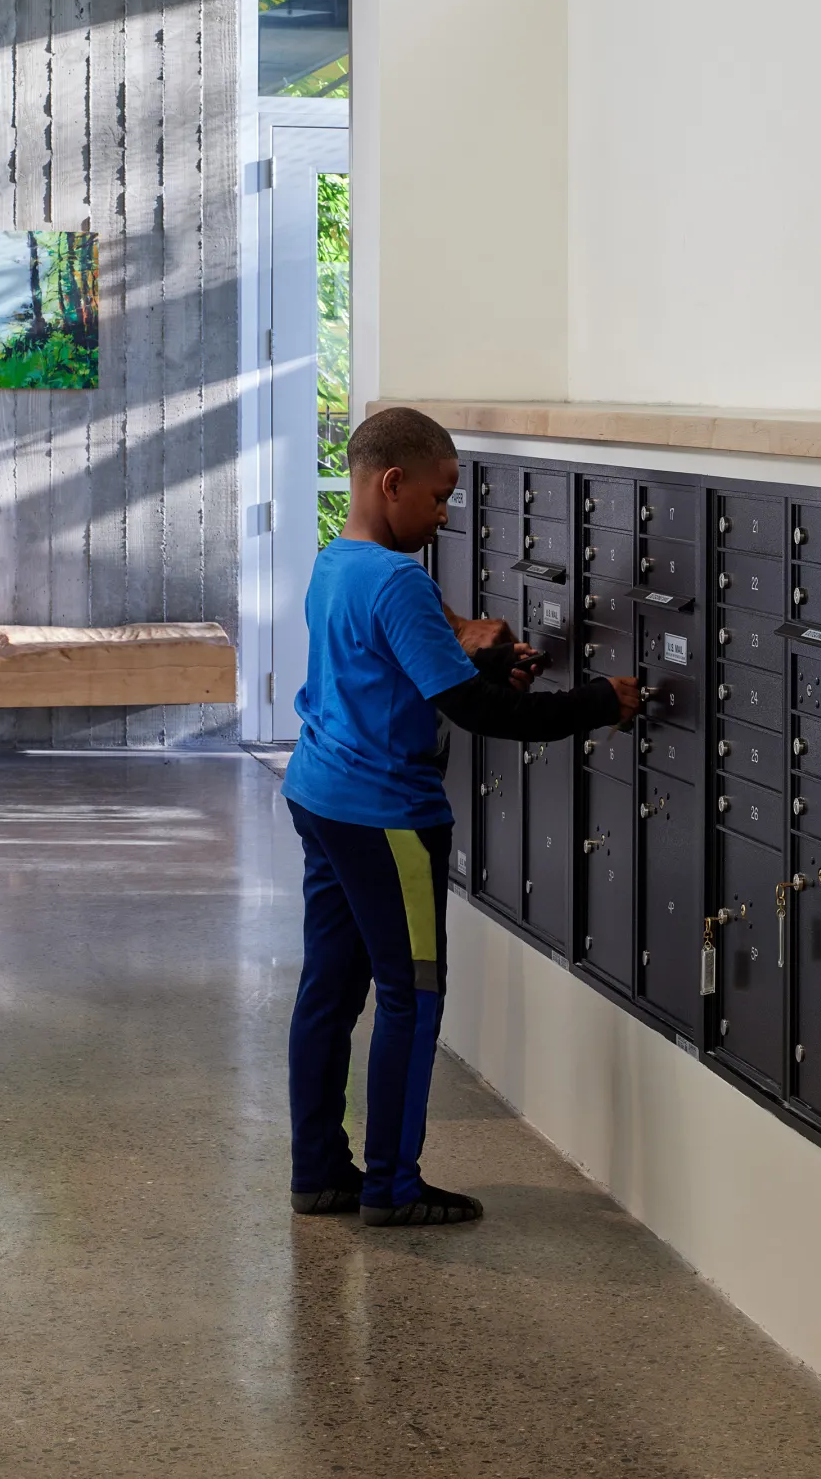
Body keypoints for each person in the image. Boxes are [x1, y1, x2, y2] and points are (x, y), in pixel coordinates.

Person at [282, 405, 640, 1227]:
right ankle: (392, 1187)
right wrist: (596, 701)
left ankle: (318, 1171)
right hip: (386, 818)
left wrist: (477, 660)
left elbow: (397, 668)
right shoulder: (400, 579)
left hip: (320, 796)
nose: (446, 514)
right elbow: (485, 717)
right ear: (392, 482)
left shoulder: (334, 563)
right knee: (412, 997)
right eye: (440, 496)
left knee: (328, 993)